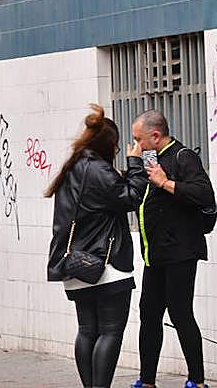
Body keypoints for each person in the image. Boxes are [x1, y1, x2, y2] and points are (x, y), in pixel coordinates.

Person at [46, 104, 149, 388]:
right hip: (106, 265)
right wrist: (136, 164)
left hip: (76, 266)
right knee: (111, 332)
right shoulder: (98, 170)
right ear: (108, 145)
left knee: (87, 330)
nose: (117, 150)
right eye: (116, 146)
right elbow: (130, 199)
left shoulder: (74, 167)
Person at [130, 109, 216, 388]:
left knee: (180, 313)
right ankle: (147, 381)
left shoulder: (184, 157)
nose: (135, 146)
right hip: (154, 254)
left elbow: (203, 193)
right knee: (149, 314)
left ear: (155, 136)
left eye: (138, 139)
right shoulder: (150, 159)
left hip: (180, 252)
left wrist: (165, 183)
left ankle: (197, 381)